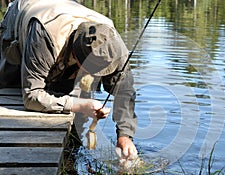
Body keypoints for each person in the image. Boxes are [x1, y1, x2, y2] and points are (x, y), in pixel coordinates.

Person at [0, 0, 138, 159]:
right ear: (78, 58)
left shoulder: (113, 47)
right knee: (10, 91)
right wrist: (77, 105)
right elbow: (31, 96)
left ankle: (69, 156)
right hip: (26, 15)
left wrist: (125, 136)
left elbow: (125, 92)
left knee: (63, 91)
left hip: (62, 16)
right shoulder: (44, 37)